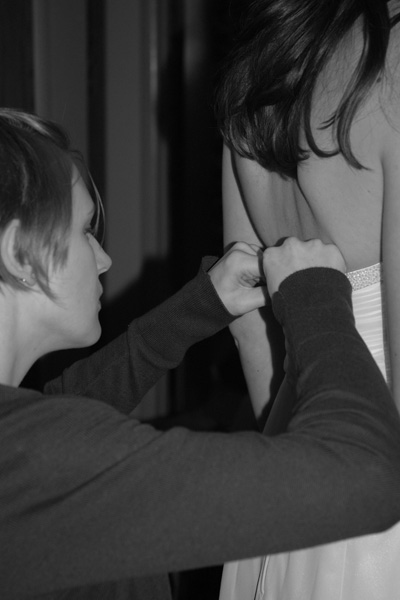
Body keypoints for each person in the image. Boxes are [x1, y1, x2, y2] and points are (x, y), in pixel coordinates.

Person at [1, 109, 400, 600]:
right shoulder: (39, 467)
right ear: (20, 254)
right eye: (85, 230)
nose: (103, 260)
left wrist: (198, 307)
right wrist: (315, 296)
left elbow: (65, 408)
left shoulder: (23, 449)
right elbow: (366, 477)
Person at [215, 0, 400, 599]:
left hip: (288, 464)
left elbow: (248, 316)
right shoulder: (393, 60)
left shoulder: (253, 75)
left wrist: (285, 448)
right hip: (379, 477)